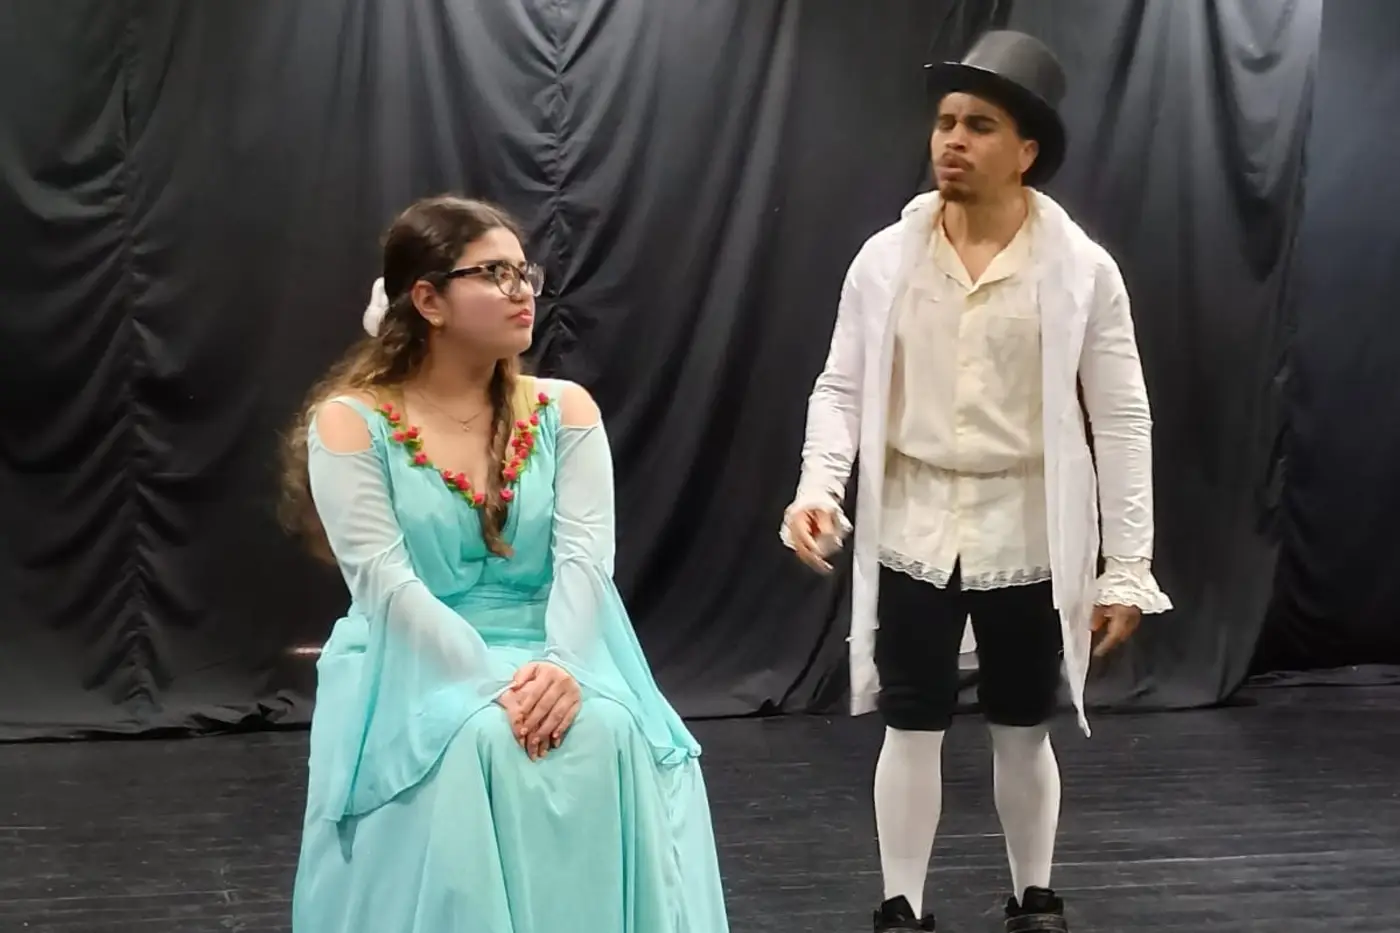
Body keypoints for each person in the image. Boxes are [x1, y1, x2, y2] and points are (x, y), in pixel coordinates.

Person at [780, 31, 1171, 933]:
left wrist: (1127, 564)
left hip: (1026, 520)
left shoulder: (1080, 270)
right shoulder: (887, 258)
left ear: (1026, 150)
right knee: (911, 717)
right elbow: (840, 387)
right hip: (916, 518)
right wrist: (818, 486)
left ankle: (1035, 897)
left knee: (1022, 719)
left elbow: (1121, 417)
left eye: (980, 125)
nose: (952, 139)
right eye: (946, 122)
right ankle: (902, 906)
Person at [279, 195, 729, 933]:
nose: (522, 291)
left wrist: (563, 668)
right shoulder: (352, 421)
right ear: (428, 299)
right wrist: (492, 685)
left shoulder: (564, 409)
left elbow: (586, 562)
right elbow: (385, 585)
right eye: (494, 273)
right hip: (410, 657)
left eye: (525, 273)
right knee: (479, 739)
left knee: (610, 728)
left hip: (556, 649)